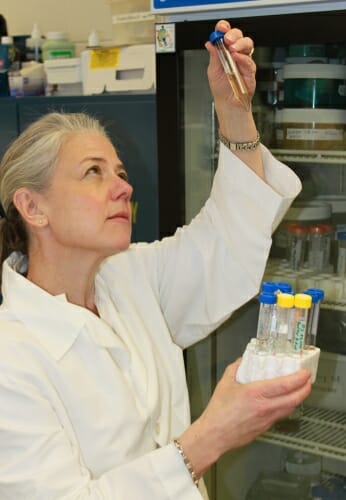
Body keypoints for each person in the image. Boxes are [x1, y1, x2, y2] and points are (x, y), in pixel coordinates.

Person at [0, 19, 311, 500]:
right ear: (33, 206)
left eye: (120, 172)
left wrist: (233, 110)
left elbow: (227, 240)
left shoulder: (128, 277)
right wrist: (211, 437)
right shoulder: (12, 357)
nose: (123, 186)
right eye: (93, 173)